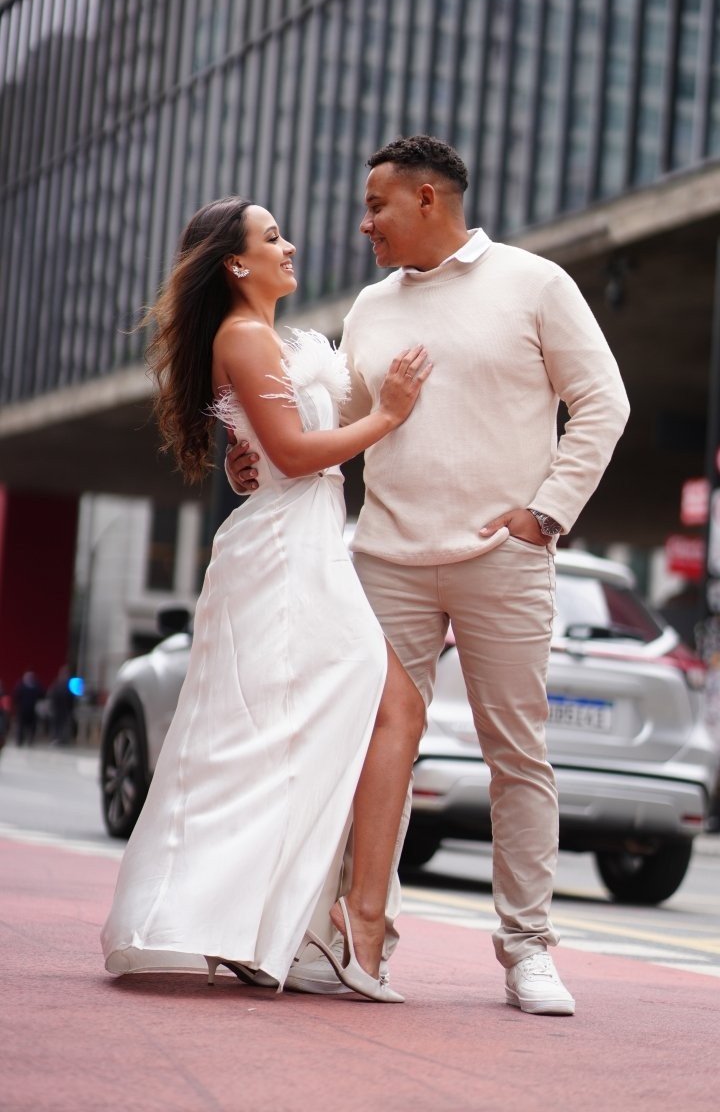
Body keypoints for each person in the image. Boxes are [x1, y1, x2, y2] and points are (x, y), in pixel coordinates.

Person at [228, 134, 630, 1015]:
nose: (363, 223)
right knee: (369, 750)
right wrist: (253, 457)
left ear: (425, 199)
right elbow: (331, 426)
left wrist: (547, 513)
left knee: (515, 755)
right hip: (386, 560)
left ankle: (528, 950)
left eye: (375, 206)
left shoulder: (535, 283)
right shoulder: (371, 307)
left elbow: (605, 400)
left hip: (503, 559)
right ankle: (351, 936)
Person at [101, 196, 430, 1002]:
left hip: (303, 540)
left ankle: (292, 927)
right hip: (288, 552)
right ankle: (327, 926)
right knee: (364, 708)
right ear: (236, 263)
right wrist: (389, 416)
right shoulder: (244, 336)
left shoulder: (260, 339)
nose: (290, 246)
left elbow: (267, 450)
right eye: (272, 237)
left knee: (311, 727)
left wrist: (247, 458)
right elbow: (294, 451)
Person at [14, 671, 43, 746]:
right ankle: (20, 741)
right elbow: (16, 697)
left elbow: (41, 695)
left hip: (33, 710)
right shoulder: (20, 686)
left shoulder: (36, 686)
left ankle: (30, 740)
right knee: (21, 726)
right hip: (22, 710)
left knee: (32, 726)